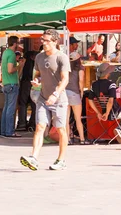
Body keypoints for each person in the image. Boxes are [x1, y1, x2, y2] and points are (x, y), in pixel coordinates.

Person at [20, 29, 71, 171]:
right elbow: (38, 75)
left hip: (59, 99)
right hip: (43, 98)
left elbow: (65, 79)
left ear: (55, 41)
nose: (43, 43)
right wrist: (37, 81)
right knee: (40, 126)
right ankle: (34, 158)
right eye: (42, 40)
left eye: (46, 40)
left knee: (60, 129)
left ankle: (61, 160)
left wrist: (55, 94)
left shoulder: (62, 57)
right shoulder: (39, 57)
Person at [67, 49, 88, 145]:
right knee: (78, 118)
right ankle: (82, 139)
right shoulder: (80, 68)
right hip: (74, 93)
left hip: (65, 93)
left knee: (66, 119)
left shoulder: (65, 68)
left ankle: (67, 139)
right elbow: (81, 80)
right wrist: (81, 92)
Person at [1, 36, 21, 138]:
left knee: (6, 108)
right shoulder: (12, 54)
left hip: (6, 83)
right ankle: (9, 131)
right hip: (12, 83)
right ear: (15, 43)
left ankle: (4, 130)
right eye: (18, 43)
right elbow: (10, 70)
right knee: (11, 109)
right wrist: (19, 66)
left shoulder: (5, 52)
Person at [16, 51, 37, 131]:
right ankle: (32, 123)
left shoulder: (25, 64)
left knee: (22, 104)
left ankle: (22, 123)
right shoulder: (36, 63)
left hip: (25, 83)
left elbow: (19, 75)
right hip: (34, 83)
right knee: (34, 104)